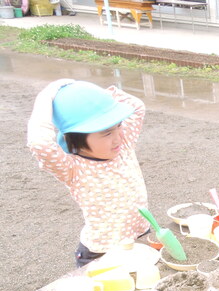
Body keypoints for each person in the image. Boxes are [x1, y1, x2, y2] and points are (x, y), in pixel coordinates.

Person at [27, 79, 149, 267]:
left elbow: (137, 106)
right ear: (76, 137)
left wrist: (93, 95)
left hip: (141, 237)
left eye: (119, 126)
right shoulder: (73, 168)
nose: (118, 136)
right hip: (101, 252)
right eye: (107, 132)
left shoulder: (124, 146)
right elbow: (39, 143)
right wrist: (47, 97)